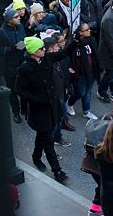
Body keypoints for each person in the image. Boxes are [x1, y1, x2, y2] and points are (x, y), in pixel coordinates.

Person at [15, 36, 72, 183]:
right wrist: (37, 99)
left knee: (44, 134)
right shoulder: (25, 69)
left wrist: (75, 41)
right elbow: (20, 90)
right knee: (48, 139)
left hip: (52, 106)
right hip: (40, 110)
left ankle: (36, 156)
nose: (44, 50)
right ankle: (57, 171)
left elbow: (62, 53)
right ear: (34, 52)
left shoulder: (46, 59)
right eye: (41, 48)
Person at [0, 7, 26, 124]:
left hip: (22, 62)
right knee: (12, 91)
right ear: (9, 20)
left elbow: (24, 39)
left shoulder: (21, 27)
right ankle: (16, 112)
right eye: (16, 17)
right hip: (10, 67)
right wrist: (12, 48)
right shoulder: (1, 32)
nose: (19, 17)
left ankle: (24, 109)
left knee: (24, 87)